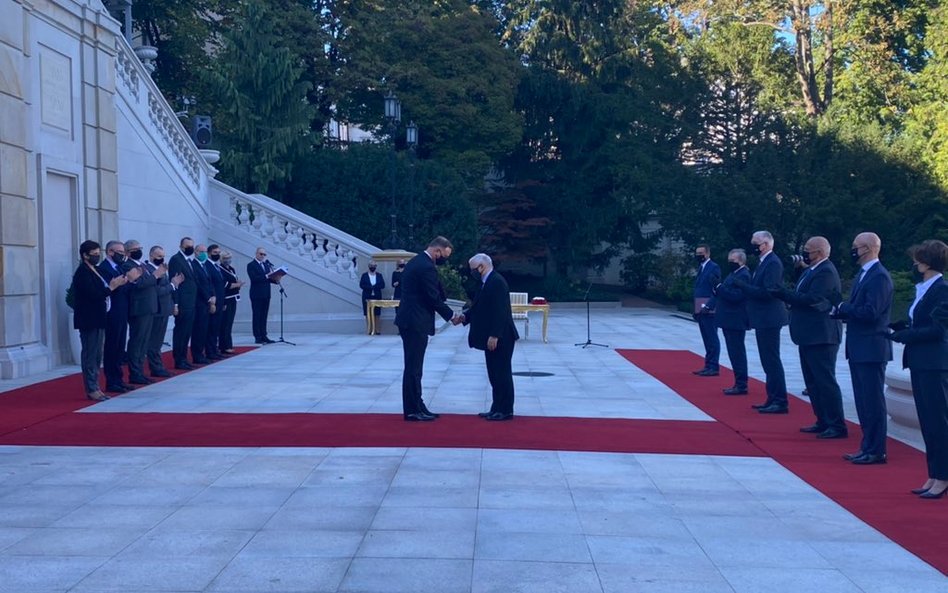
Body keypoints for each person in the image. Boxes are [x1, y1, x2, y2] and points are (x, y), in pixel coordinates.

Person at [887, 240, 948, 496]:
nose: (914, 264)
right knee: (928, 422)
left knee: (939, 423)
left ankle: (943, 477)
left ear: (927, 263)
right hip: (920, 361)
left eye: (918, 260)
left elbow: (938, 330)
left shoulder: (942, 290)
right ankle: (934, 474)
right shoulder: (924, 288)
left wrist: (906, 337)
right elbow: (920, 320)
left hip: (935, 363)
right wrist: (901, 327)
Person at [771, 237, 846, 439]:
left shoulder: (826, 271)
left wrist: (784, 295)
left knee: (825, 381)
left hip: (822, 335)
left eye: (808, 250)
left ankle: (836, 424)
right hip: (808, 334)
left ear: (820, 252)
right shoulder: (812, 270)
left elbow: (813, 298)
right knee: (812, 381)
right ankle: (822, 420)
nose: (805, 253)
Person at [835, 232, 893, 465]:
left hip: (872, 347)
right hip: (860, 346)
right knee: (862, 400)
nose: (853, 251)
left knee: (872, 401)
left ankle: (876, 449)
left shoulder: (878, 277)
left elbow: (871, 312)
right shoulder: (865, 274)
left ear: (868, 248)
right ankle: (867, 445)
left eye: (855, 247)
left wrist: (844, 308)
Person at [394, 236, 459, 421]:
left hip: (411, 321)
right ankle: (413, 410)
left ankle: (417, 405)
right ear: (437, 250)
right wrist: (452, 316)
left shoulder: (417, 261)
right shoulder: (425, 266)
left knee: (414, 367)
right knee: (414, 368)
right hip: (415, 322)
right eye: (443, 256)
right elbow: (433, 297)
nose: (443, 260)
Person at [455, 254, 519, 420]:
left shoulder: (496, 282)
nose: (472, 272)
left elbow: (500, 311)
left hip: (501, 336)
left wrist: (494, 335)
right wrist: (465, 317)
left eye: (473, 269)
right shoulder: (485, 282)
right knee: (493, 373)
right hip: (492, 336)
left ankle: (505, 410)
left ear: (482, 266)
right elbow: (479, 307)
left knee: (502, 373)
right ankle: (496, 407)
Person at [71, 240, 133, 401]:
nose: (97, 257)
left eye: (99, 254)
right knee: (91, 355)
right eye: (94, 255)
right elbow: (94, 294)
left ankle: (96, 386)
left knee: (97, 354)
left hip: (99, 317)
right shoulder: (82, 273)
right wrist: (112, 286)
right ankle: (92, 388)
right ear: (85, 255)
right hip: (89, 319)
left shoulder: (96, 270)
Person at [735, 231, 790, 413]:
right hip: (763, 317)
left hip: (769, 317)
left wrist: (744, 287)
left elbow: (768, 292)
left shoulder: (773, 263)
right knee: (767, 360)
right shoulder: (763, 262)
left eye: (756, 243)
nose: (753, 246)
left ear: (766, 244)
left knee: (771, 359)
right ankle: (772, 396)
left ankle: (779, 400)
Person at [710, 249, 751, 395]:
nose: (730, 263)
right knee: (733, 352)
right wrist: (717, 288)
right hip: (728, 318)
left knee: (737, 352)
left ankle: (741, 384)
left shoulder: (744, 275)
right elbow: (726, 289)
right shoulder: (734, 274)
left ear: (740, 261)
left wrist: (720, 287)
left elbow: (737, 296)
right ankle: (739, 382)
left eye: (732, 261)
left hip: (736, 319)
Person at [97, 240, 134, 393]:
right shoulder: (103, 268)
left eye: (124, 252)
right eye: (119, 252)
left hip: (122, 311)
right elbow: (108, 289)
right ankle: (111, 381)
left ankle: (118, 378)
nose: (122, 255)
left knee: (119, 347)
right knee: (112, 347)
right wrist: (119, 284)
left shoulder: (119, 267)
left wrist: (130, 281)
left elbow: (125, 289)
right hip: (112, 312)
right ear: (110, 252)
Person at [122, 239, 160, 385]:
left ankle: (140, 371)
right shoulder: (127, 265)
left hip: (149, 306)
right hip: (139, 308)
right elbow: (137, 285)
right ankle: (135, 372)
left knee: (144, 340)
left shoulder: (142, 265)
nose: (138, 250)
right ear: (127, 252)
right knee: (137, 340)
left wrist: (155, 276)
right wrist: (155, 276)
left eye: (139, 248)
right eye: (134, 249)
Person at [145, 245, 182, 378]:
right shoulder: (148, 270)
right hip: (156, 310)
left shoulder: (161, 269)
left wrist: (173, 305)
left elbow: (166, 291)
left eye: (163, 256)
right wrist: (172, 284)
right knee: (154, 341)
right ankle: (156, 367)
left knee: (159, 341)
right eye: (159, 256)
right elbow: (157, 291)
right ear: (151, 256)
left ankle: (159, 366)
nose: (161, 259)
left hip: (165, 309)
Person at [692, 244, 721, 376]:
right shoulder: (701, 267)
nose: (699, 256)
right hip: (700, 305)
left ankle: (713, 366)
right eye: (697, 253)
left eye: (701, 253)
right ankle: (708, 364)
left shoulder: (713, 267)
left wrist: (710, 305)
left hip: (709, 306)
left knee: (712, 337)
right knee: (706, 337)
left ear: (708, 254)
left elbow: (715, 289)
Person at [169, 237, 197, 370]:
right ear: (181, 247)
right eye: (187, 246)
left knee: (187, 332)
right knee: (180, 331)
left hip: (191, 302)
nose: (190, 248)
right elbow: (175, 283)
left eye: (192, 246)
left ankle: (184, 358)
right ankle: (179, 359)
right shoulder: (176, 260)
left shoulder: (189, 260)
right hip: (183, 303)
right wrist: (176, 304)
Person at [190, 244, 214, 364]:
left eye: (205, 251)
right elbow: (198, 285)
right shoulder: (193, 265)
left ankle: (202, 352)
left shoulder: (204, 266)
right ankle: (197, 355)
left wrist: (212, 295)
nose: (204, 254)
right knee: (198, 329)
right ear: (196, 252)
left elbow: (209, 283)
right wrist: (208, 297)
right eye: (201, 251)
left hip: (207, 302)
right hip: (199, 302)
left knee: (205, 329)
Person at [247, 247, 275, 344]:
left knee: (264, 315)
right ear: (256, 254)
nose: (262, 256)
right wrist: (267, 276)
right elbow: (254, 278)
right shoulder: (251, 265)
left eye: (264, 254)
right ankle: (257, 336)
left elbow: (269, 278)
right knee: (257, 315)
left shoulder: (266, 265)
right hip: (256, 294)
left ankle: (264, 335)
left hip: (266, 293)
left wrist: (276, 278)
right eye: (261, 254)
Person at [204, 244, 227, 359]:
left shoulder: (217, 266)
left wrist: (223, 302)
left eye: (218, 253)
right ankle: (210, 351)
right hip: (213, 301)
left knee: (216, 327)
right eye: (214, 253)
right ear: (209, 253)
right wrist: (211, 301)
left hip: (220, 301)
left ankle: (214, 349)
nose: (217, 255)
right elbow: (210, 284)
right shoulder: (207, 265)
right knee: (211, 328)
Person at [219, 251, 243, 354]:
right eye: (225, 258)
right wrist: (237, 285)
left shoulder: (231, 269)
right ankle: (224, 346)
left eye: (229, 258)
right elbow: (225, 285)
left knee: (229, 323)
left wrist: (238, 284)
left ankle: (228, 344)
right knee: (225, 323)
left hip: (234, 298)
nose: (228, 260)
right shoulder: (220, 269)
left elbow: (235, 281)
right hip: (226, 299)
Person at [360, 260, 386, 333]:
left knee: (377, 313)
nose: (373, 267)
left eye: (374, 266)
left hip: (377, 296)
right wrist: (370, 287)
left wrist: (375, 287)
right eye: (371, 265)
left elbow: (382, 285)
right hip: (367, 296)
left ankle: (377, 329)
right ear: (368, 266)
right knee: (367, 313)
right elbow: (361, 285)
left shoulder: (379, 275)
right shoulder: (364, 275)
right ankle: (369, 329)